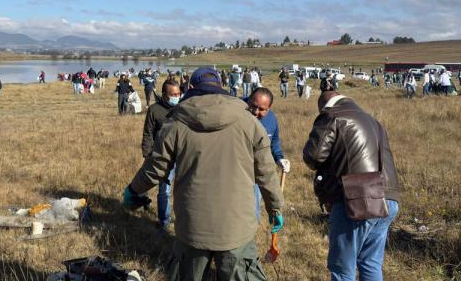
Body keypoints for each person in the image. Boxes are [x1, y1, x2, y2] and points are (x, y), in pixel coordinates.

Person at [123, 67, 285, 281]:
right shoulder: (250, 123)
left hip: (192, 227)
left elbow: (155, 168)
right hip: (236, 228)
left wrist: (132, 190)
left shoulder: (175, 124)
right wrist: (275, 207)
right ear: (220, 87)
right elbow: (266, 172)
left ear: (190, 88)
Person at [303, 91, 401, 280]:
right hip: (388, 198)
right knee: (371, 263)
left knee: (342, 269)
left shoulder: (331, 116)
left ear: (324, 106)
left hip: (357, 200)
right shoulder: (373, 121)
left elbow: (313, 156)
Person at [141, 79, 181, 230]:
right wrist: (147, 154)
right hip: (164, 158)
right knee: (164, 190)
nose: (177, 97)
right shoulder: (154, 110)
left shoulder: (184, 108)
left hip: (183, 156)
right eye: (173, 94)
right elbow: (148, 133)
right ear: (164, 95)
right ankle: (164, 221)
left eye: (178, 93)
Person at [246, 87, 291, 220]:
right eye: (253, 106)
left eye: (261, 109)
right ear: (248, 100)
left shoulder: (271, 120)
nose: (255, 112)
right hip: (237, 172)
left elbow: (274, 142)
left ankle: (252, 232)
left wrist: (279, 158)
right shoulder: (236, 113)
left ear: (269, 108)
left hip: (258, 172)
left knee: (254, 207)